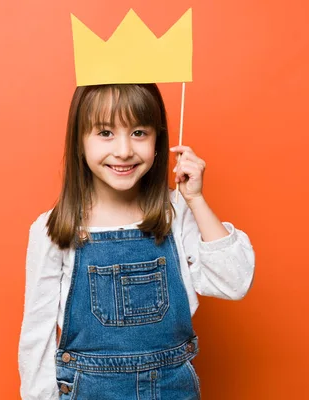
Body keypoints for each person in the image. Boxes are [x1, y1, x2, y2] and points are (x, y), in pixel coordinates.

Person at [18, 84, 255, 399]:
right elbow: (37, 335)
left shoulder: (175, 213)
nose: (124, 150)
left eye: (139, 133)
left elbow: (234, 281)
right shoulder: (53, 229)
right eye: (105, 133)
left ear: (158, 140)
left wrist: (195, 200)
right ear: (79, 141)